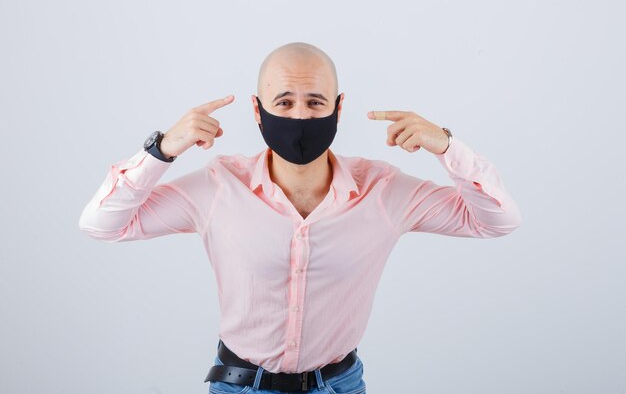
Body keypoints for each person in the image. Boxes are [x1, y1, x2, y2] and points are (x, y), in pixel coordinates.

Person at [78, 42, 522, 393]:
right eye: (284, 102)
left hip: (339, 386)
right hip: (241, 387)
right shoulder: (218, 185)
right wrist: (161, 150)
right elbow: (103, 224)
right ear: (258, 110)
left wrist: (446, 145)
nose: (300, 116)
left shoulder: (382, 189)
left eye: (315, 101)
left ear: (338, 108)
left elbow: (497, 220)